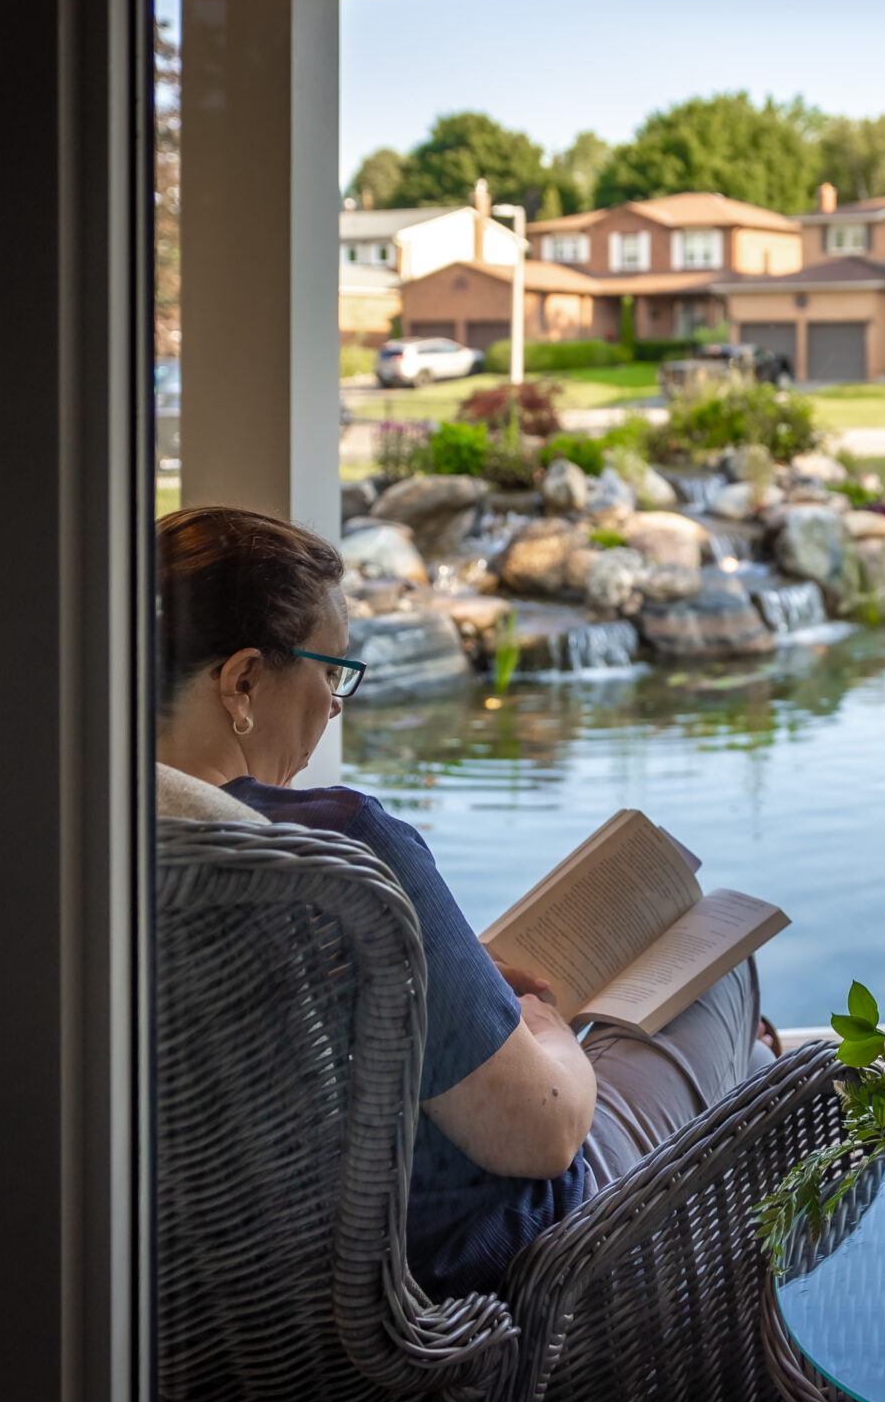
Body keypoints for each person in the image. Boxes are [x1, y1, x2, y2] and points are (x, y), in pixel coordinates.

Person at [154, 505, 771, 1297]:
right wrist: (550, 1031)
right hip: (488, 1263)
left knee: (749, 1062)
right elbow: (545, 1132)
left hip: (252, 1290)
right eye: (330, 671)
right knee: (723, 972)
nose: (336, 704)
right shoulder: (341, 849)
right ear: (242, 681)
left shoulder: (91, 838)